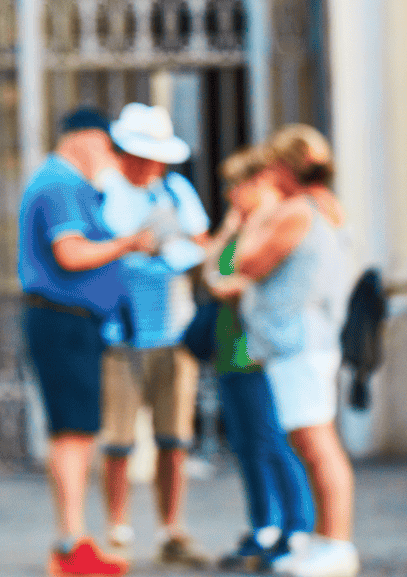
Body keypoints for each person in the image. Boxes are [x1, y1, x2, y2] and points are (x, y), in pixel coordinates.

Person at [19, 106, 161, 577]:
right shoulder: (60, 184)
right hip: (63, 321)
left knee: (76, 433)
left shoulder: (66, 184)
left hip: (72, 322)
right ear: (83, 138)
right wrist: (129, 243)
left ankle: (74, 543)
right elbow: (72, 252)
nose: (109, 155)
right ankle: (71, 545)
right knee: (74, 435)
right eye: (106, 144)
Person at [218, 126, 358, 577]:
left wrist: (250, 219)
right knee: (307, 441)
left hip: (299, 343)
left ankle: (337, 543)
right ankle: (325, 539)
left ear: (283, 167)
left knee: (317, 445)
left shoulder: (298, 211)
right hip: (300, 341)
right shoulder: (322, 207)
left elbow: (247, 262)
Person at [96, 102, 213, 568]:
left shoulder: (176, 189)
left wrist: (170, 246)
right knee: (119, 440)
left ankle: (171, 527)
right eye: (141, 155)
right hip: (120, 333)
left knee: (174, 438)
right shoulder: (104, 191)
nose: (150, 166)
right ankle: (117, 528)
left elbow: (201, 242)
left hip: (174, 329)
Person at [208, 146, 316, 573]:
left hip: (260, 350)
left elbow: (240, 279)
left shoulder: (279, 221)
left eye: (237, 184)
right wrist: (230, 228)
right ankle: (264, 526)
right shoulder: (242, 226)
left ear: (260, 184)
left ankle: (297, 527)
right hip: (229, 348)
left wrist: (227, 275)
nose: (231, 194)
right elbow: (212, 271)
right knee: (247, 446)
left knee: (275, 442)